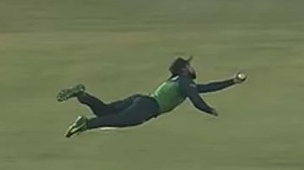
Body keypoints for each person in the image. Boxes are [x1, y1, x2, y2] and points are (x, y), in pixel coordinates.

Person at [57, 57, 247, 138]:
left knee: (105, 111)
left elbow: (205, 88)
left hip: (141, 100)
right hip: (148, 107)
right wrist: (210, 110)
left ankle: (82, 95)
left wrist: (232, 81)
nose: (192, 68)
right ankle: (86, 124)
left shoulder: (180, 82)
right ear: (183, 69)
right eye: (188, 65)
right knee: (120, 121)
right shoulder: (184, 81)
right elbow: (196, 100)